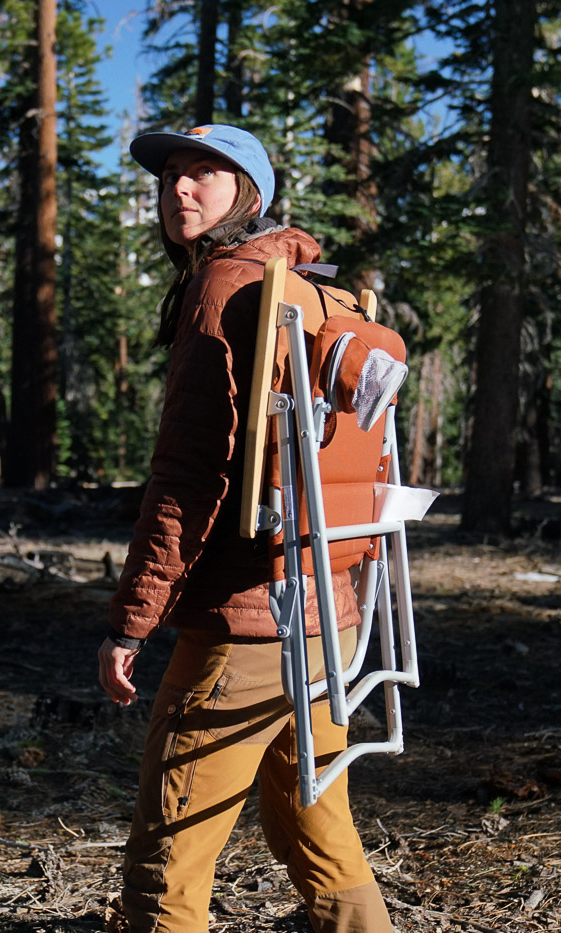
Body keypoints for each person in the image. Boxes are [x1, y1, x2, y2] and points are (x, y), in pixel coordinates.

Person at [98, 124, 394, 933]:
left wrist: (134, 618)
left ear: (249, 195)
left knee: (167, 870)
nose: (180, 189)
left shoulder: (224, 286)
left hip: (245, 627)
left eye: (205, 175)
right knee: (322, 838)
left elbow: (189, 477)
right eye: (171, 178)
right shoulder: (308, 284)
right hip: (326, 619)